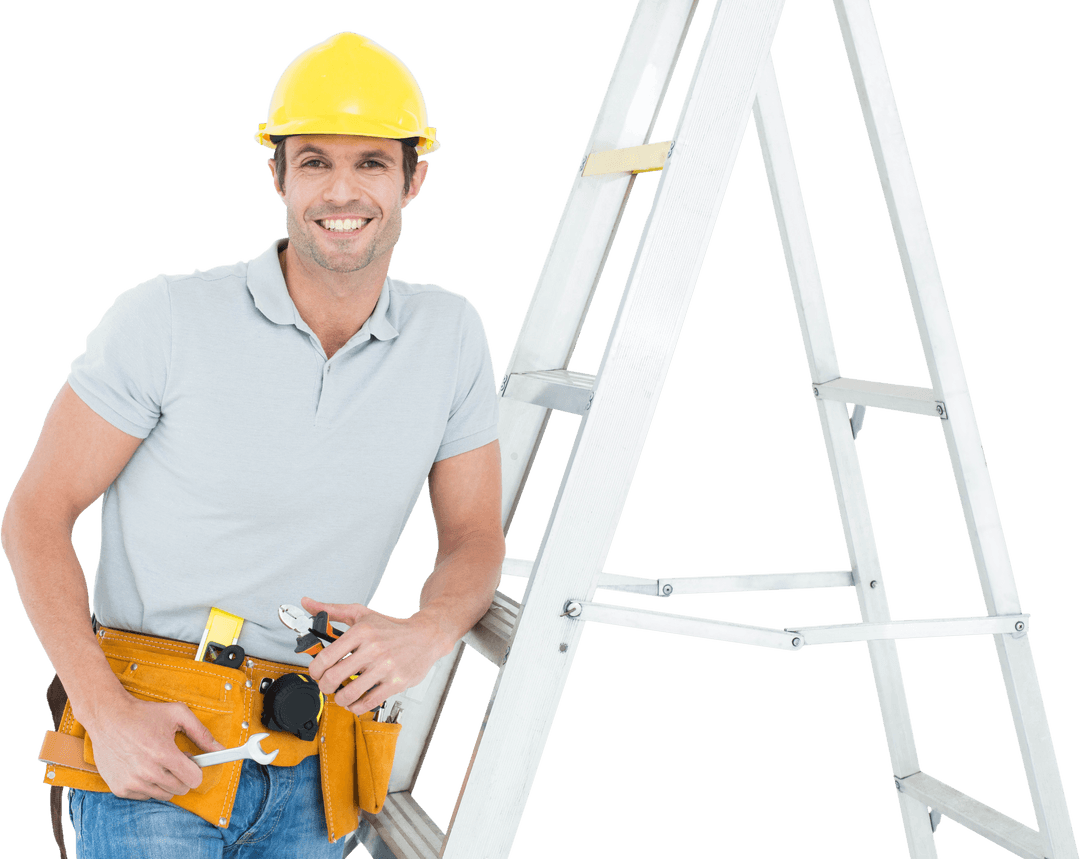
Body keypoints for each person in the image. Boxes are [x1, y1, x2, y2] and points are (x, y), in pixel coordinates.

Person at [0, 31, 505, 858]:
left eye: (372, 163)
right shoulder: (164, 318)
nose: (342, 191)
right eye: (314, 162)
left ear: (414, 177)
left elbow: (475, 536)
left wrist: (429, 629)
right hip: (158, 744)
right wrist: (101, 711)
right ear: (277, 173)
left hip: (319, 757)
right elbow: (34, 514)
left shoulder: (449, 333)